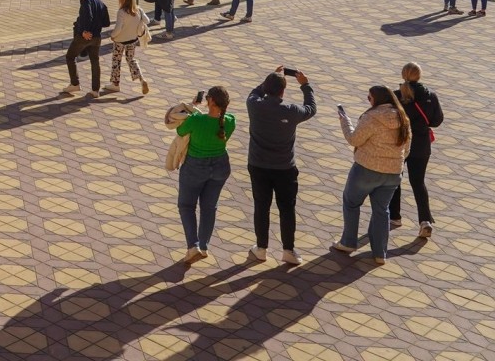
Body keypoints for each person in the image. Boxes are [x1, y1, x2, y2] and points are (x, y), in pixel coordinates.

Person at [332, 86, 411, 265]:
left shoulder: (371, 117)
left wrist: (345, 122)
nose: (369, 101)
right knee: (382, 211)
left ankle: (348, 242)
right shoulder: (403, 118)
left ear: (377, 99)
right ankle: (380, 253)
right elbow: (406, 149)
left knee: (351, 203)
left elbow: (354, 139)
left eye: (369, 98)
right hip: (393, 173)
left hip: (366, 170)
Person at [246, 68, 316, 264]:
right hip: (285, 168)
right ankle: (288, 250)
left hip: (258, 165)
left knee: (261, 206)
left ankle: (261, 248)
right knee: (287, 208)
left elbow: (255, 92)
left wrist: (270, 78)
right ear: (283, 91)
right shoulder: (291, 110)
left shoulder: (254, 105)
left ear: (266, 88)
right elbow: (311, 108)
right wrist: (305, 85)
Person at [175, 86, 235, 263]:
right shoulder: (230, 121)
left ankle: (192, 246)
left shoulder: (196, 120)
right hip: (220, 166)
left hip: (195, 166)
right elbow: (217, 124)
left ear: (210, 101)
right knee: (209, 207)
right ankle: (203, 245)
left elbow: (179, 131)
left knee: (186, 206)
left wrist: (193, 106)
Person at [390, 62, 442, 238]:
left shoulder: (396, 95)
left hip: (400, 143)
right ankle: (425, 221)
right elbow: (436, 121)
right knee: (418, 182)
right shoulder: (430, 96)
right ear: (419, 75)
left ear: (403, 74)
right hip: (421, 145)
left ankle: (395, 216)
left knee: (395, 178)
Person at [62, 0, 109, 98]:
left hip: (85, 36)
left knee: (70, 56)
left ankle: (75, 83)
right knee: (94, 61)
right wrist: (96, 27)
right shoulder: (101, 2)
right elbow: (106, 22)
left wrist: (85, 31)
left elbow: (87, 16)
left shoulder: (85, 1)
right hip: (97, 37)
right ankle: (95, 90)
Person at [104, 0, 150, 96]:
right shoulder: (138, 10)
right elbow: (147, 20)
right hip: (132, 40)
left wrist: (112, 36)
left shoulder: (121, 12)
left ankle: (115, 84)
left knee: (116, 60)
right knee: (131, 59)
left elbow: (118, 28)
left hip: (120, 41)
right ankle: (141, 79)